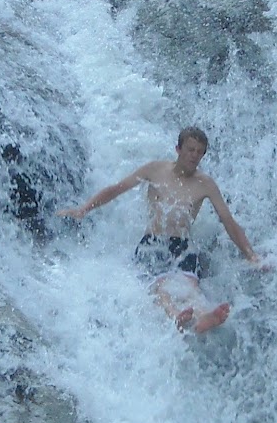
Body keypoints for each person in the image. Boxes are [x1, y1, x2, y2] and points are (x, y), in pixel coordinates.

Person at [59, 126, 263, 335]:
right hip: (152, 243)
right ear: (178, 149)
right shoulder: (155, 170)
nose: (194, 155)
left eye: (199, 152)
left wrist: (251, 255)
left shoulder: (205, 184)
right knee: (160, 287)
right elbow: (117, 189)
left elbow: (228, 221)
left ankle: (203, 316)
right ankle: (176, 315)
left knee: (190, 287)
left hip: (182, 245)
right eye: (190, 149)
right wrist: (84, 209)